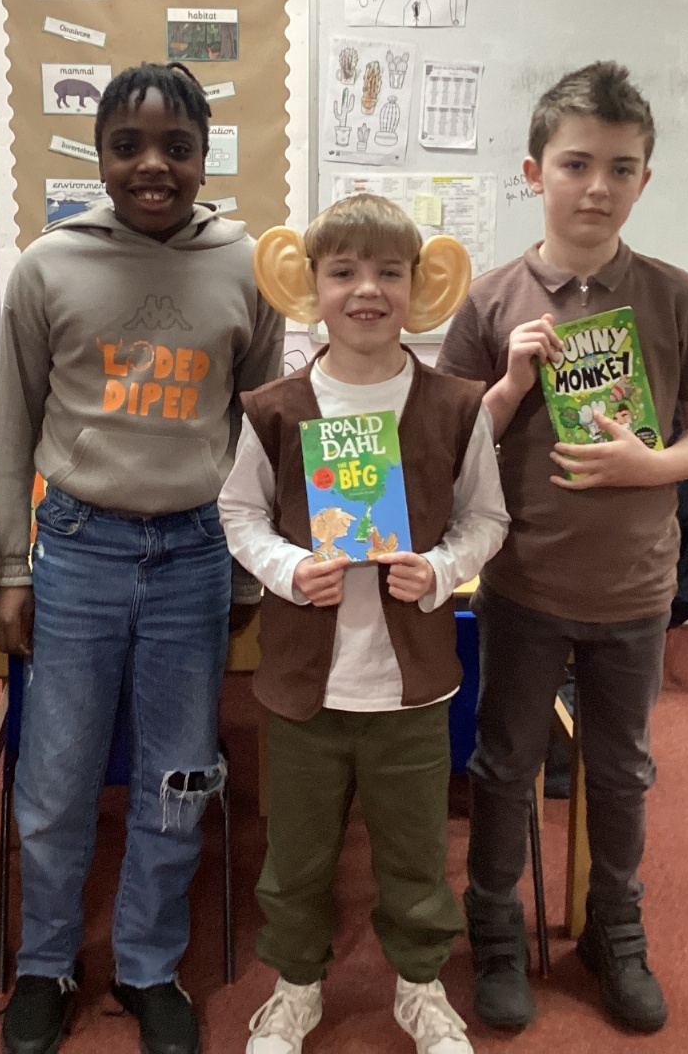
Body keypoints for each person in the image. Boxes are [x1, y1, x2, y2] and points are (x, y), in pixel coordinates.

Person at [0, 62, 284, 1054]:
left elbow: (255, 432)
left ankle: (149, 965)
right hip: (79, 549)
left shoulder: (248, 267)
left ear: (205, 156)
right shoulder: (47, 267)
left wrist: (242, 568)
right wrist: (12, 567)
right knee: (55, 778)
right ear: (99, 154)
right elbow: (12, 429)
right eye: (128, 146)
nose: (152, 165)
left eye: (176, 147)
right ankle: (45, 963)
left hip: (194, 552)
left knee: (180, 776)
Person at [436, 62, 688, 1035]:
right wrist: (511, 385)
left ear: (644, 179)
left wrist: (651, 468)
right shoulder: (490, 302)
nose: (596, 186)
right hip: (524, 582)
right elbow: (449, 445)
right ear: (534, 172)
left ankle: (614, 928)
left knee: (621, 769)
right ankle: (495, 929)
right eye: (575, 164)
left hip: (634, 588)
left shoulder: (675, 296)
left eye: (620, 167)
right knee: (503, 763)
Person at [220, 195, 509, 1054]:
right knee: (297, 856)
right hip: (305, 688)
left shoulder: (456, 406)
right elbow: (239, 513)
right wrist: (287, 569)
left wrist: (442, 571)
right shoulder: (274, 408)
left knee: (416, 855)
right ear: (309, 286)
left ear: (422, 287)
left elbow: (486, 519)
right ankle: (296, 988)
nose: (367, 289)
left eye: (389, 271)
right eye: (343, 271)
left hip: (410, 688)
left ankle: (420, 988)